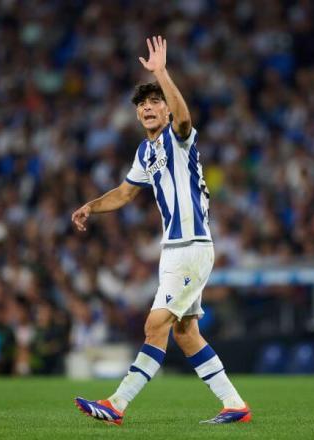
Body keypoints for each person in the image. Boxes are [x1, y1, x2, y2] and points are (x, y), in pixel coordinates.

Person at [71, 36, 250, 425]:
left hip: (190, 246)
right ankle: (234, 404)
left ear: (166, 110)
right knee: (185, 333)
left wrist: (161, 73)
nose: (148, 108)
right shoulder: (144, 152)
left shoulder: (178, 139)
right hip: (175, 249)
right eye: (142, 104)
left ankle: (117, 404)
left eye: (155, 102)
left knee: (155, 325)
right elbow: (124, 193)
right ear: (137, 115)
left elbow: (186, 120)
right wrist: (91, 206)